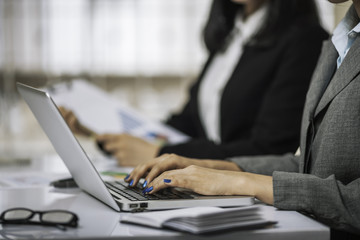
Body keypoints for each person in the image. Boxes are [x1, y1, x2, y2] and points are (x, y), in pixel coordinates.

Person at [126, 0, 360, 238]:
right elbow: (312, 166)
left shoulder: (307, 39)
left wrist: (238, 182)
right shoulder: (340, 41)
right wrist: (214, 168)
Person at [61, 0, 328, 166]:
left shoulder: (304, 40)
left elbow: (268, 148)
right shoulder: (232, 36)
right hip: (206, 188)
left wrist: (161, 153)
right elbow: (187, 123)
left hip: (250, 196)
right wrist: (99, 132)